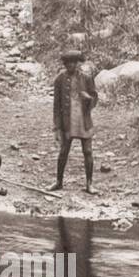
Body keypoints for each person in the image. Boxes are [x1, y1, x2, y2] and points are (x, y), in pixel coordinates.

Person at [48, 48, 99, 194]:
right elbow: (56, 106)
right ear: (64, 64)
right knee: (63, 152)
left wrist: (88, 98)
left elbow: (95, 97)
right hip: (67, 121)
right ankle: (59, 182)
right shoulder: (59, 79)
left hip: (83, 120)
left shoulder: (87, 78)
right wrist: (57, 128)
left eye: (74, 63)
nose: (71, 66)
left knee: (88, 151)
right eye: (68, 63)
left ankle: (89, 184)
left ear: (78, 63)